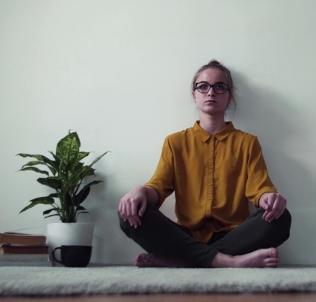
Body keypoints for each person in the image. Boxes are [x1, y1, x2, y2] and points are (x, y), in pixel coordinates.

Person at [118, 60, 292, 268]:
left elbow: (260, 188)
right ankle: (227, 262)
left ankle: (183, 260)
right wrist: (139, 191)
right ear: (194, 95)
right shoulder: (175, 142)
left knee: (281, 219)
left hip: (234, 236)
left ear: (229, 96)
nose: (211, 93)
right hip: (185, 236)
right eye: (203, 86)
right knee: (129, 212)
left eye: (220, 87)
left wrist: (270, 198)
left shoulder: (247, 143)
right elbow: (158, 187)